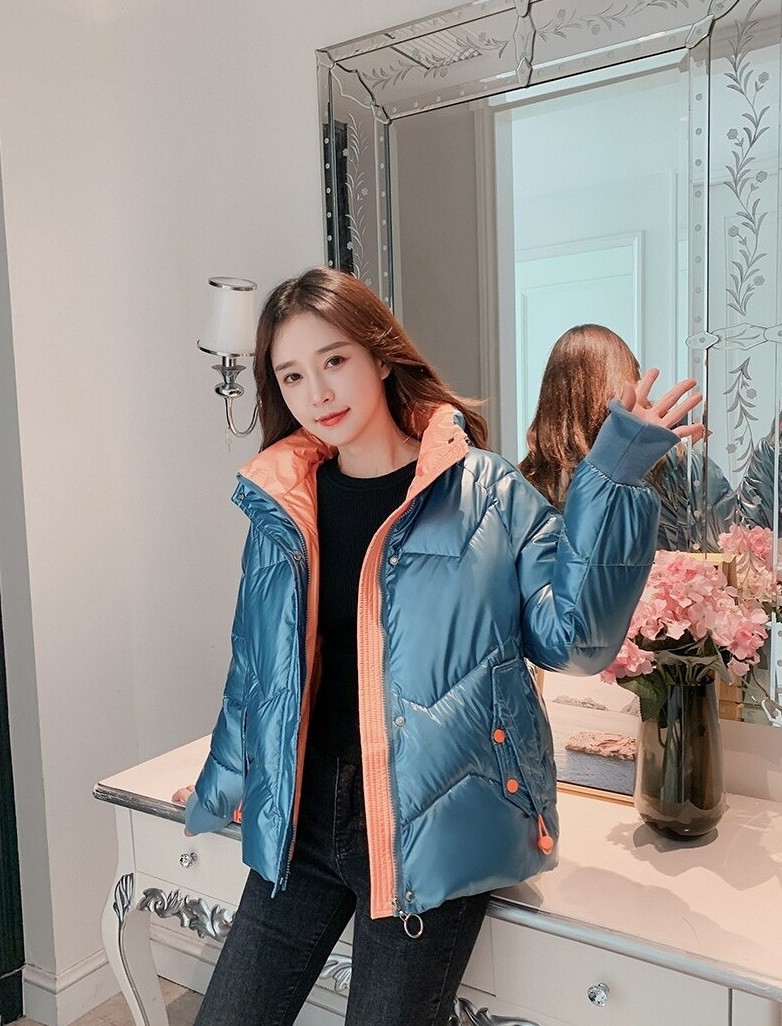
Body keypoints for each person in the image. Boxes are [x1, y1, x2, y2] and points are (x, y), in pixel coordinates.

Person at [173, 271, 700, 1026]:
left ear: (381, 355)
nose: (317, 393)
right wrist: (227, 776)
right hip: (301, 821)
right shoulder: (282, 507)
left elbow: (573, 639)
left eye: (334, 360)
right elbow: (256, 668)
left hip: (430, 825)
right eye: (291, 375)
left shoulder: (486, 491)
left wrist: (612, 478)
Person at [520, 323, 735, 552]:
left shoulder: (527, 481)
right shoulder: (676, 461)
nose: (639, 385)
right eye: (634, 375)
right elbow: (729, 541)